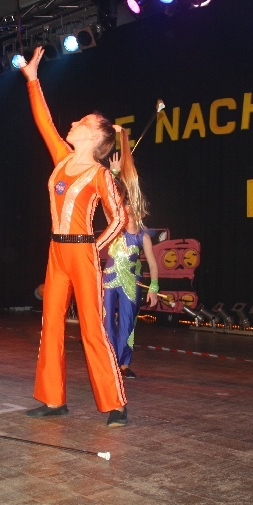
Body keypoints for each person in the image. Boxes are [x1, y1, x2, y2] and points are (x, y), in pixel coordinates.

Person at [20, 46, 129, 427]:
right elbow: (44, 122)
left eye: (83, 121)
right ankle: (53, 399)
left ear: (96, 135)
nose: (74, 122)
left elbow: (120, 218)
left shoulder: (100, 174)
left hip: (82, 253)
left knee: (92, 329)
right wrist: (33, 80)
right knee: (50, 324)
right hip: (56, 252)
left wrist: (95, 249)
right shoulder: (62, 158)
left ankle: (115, 403)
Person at [103, 147, 159, 379]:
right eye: (124, 206)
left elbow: (153, 264)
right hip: (109, 279)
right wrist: (113, 174)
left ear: (139, 212)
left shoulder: (143, 236)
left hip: (131, 282)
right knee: (107, 320)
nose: (126, 209)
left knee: (127, 322)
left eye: (131, 207)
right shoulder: (114, 228)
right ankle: (109, 361)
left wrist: (154, 288)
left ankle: (123, 364)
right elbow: (107, 200)